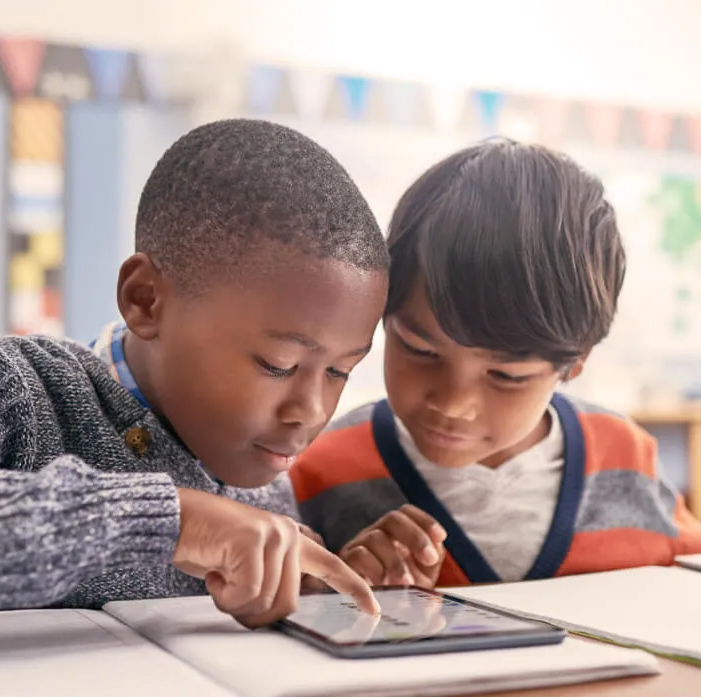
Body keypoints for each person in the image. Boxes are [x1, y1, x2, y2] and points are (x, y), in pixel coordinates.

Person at [0, 119, 388, 625]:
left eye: (340, 371)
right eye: (279, 365)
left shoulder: (264, 475)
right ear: (146, 300)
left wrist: (318, 585)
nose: (311, 411)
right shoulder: (24, 389)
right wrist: (173, 521)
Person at [291, 138, 701, 589]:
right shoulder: (319, 472)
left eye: (507, 376)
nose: (453, 403)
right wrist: (333, 596)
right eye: (419, 349)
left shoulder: (627, 459)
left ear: (575, 363)